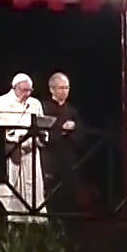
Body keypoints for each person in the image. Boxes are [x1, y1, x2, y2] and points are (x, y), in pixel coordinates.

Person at [0, 72, 47, 223]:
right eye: (24, 90)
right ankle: (10, 221)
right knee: (11, 192)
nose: (27, 94)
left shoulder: (35, 104)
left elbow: (42, 128)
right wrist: (16, 137)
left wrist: (41, 135)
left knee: (33, 193)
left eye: (30, 90)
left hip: (31, 155)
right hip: (11, 154)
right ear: (15, 88)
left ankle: (34, 223)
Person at [43, 71, 83, 214]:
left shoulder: (72, 110)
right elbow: (43, 133)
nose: (64, 91)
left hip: (69, 158)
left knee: (69, 192)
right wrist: (62, 131)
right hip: (51, 158)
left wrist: (74, 130)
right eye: (61, 88)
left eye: (67, 88)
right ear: (52, 89)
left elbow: (81, 135)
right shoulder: (44, 108)